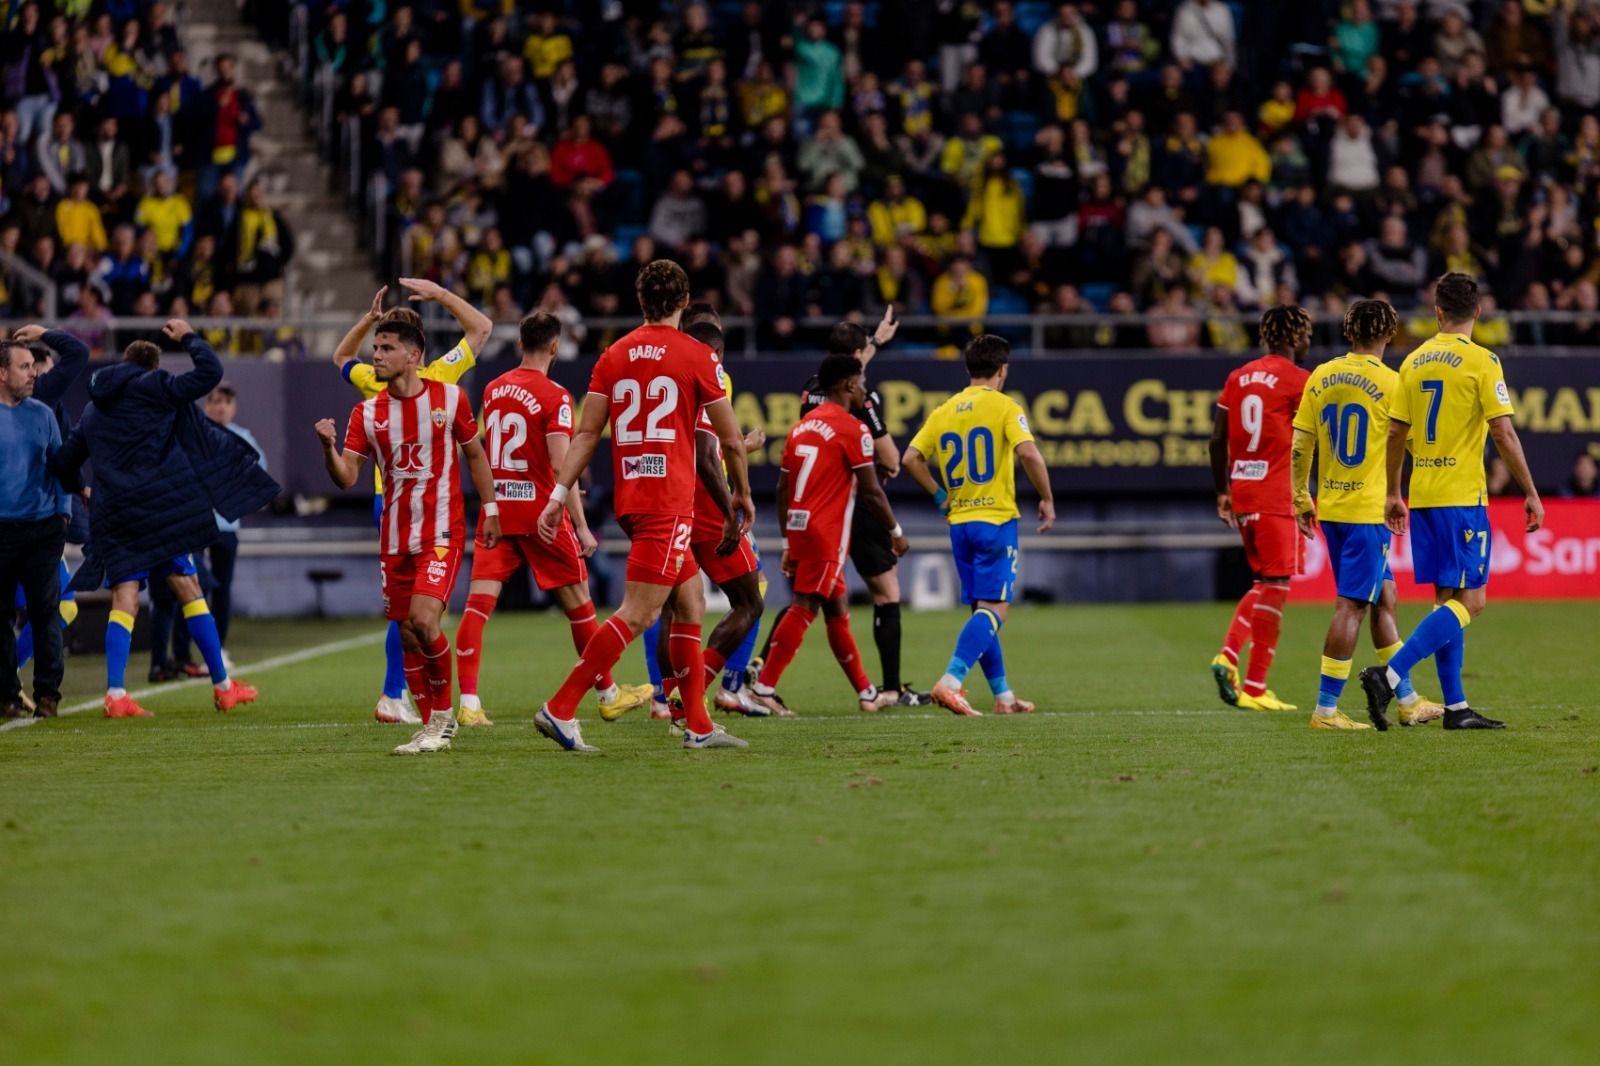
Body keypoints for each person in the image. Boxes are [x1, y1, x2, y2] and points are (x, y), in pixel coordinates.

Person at [530, 259, 753, 753]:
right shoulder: (698, 356)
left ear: (640, 300)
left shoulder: (613, 355)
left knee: (691, 601)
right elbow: (731, 441)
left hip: (633, 496)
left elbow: (586, 434)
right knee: (639, 614)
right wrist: (741, 492)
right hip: (668, 498)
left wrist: (558, 494)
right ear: (685, 300)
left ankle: (695, 723)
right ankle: (561, 707)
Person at [55, 323, 278, 718]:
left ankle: (116, 693)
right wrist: (191, 336)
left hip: (115, 515)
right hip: (159, 509)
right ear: (151, 366)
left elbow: (64, 463)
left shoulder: (93, 407)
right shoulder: (154, 387)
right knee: (190, 588)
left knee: (125, 598)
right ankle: (224, 686)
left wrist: (82, 488)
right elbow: (209, 373)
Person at [1360, 273, 1544, 731]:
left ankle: (1457, 708)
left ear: (1438, 312)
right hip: (1462, 495)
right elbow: (1502, 430)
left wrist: (1392, 492)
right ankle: (1389, 674)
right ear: (1478, 312)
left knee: (1446, 599)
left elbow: (1396, 432)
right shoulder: (1483, 361)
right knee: (1473, 600)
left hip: (1423, 495)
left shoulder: (1414, 361)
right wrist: (1530, 491)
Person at [451, 312, 653, 727]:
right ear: (556, 347)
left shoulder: (493, 388)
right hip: (543, 515)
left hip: (501, 511)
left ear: (521, 342)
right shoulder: (555, 395)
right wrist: (580, 526)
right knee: (580, 607)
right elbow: (564, 465)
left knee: (477, 607)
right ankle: (609, 694)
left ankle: (469, 704)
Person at [315, 316, 501, 756]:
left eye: (385, 348)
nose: (375, 355)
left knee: (423, 620)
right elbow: (346, 477)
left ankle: (441, 719)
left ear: (413, 355)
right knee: (406, 633)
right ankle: (427, 723)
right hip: (394, 538)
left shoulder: (450, 397)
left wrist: (490, 509)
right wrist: (327, 447)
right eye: (375, 348)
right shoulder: (367, 412)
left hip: (440, 530)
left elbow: (475, 454)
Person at [755, 307, 924, 707]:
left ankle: (863, 691)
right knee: (874, 592)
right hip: (847, 507)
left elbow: (783, 483)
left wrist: (878, 341)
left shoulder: (812, 393)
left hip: (805, 501)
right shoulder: (857, 409)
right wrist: (897, 532)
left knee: (829, 599)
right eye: (864, 354)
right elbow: (891, 462)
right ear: (853, 375)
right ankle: (888, 688)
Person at [1290, 300, 1445, 732]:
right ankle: (1325, 709)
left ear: (1348, 331)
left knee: (1385, 597)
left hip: (1335, 507)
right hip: (1366, 511)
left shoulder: (1321, 376)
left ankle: (1408, 699)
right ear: (1389, 334)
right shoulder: (1392, 383)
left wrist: (1302, 498)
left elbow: (1301, 444)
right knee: (1352, 606)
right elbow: (1410, 442)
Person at [901, 335, 1057, 716]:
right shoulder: (1005, 406)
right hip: (995, 520)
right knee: (997, 610)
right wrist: (1048, 498)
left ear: (968, 369)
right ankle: (951, 682)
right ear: (1002, 370)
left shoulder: (944, 410)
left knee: (982, 610)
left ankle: (1004, 697)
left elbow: (910, 458)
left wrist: (940, 496)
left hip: (960, 525)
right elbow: (1029, 453)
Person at [1206, 305, 1313, 712]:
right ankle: (1238, 667)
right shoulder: (1299, 380)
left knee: (1266, 583)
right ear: (1294, 337)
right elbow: (1313, 437)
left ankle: (1248, 679)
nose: (1308, 344)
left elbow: (1217, 440)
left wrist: (1223, 492)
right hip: (1276, 495)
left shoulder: (1238, 377)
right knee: (1277, 586)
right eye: (1305, 337)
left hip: (1244, 491)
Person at [7, 325, 88, 714]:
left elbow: (61, 462)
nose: (35, 373)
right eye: (25, 366)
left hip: (43, 526)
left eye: (33, 364)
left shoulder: (43, 411)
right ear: (3, 373)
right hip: (3, 528)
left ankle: (47, 695)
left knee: (50, 610)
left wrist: (68, 508)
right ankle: (8, 692)